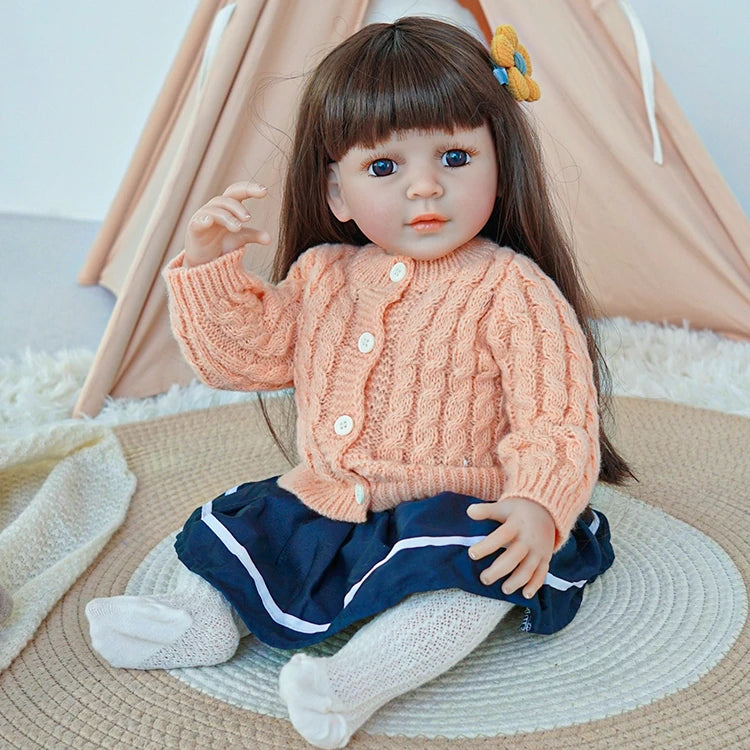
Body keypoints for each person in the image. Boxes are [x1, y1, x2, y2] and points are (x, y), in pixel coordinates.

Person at [86, 18, 631, 748]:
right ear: (336, 192)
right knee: (245, 528)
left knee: (477, 576)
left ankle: (356, 681)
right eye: (384, 169)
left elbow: (555, 418)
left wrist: (535, 503)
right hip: (332, 498)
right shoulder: (322, 276)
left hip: (461, 504)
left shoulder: (512, 289)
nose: (426, 186)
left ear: (502, 163)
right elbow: (238, 360)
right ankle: (201, 623)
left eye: (456, 155)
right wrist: (208, 263)